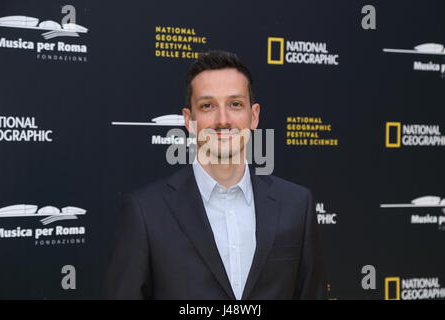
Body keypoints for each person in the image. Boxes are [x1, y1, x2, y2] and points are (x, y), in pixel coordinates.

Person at [105, 50, 327, 300]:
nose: (223, 120)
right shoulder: (145, 212)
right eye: (208, 105)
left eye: (235, 104)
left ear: (253, 116)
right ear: (189, 120)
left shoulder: (296, 204)